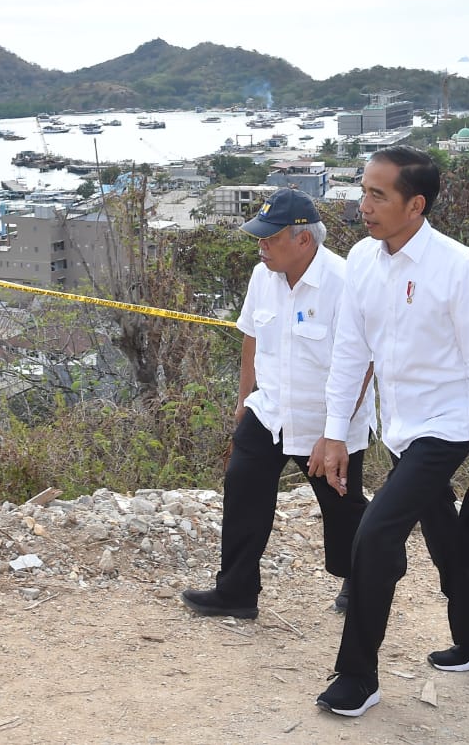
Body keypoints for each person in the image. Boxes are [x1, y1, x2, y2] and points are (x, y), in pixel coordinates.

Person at [310, 145, 469, 718]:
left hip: (446, 426)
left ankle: (357, 676)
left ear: (415, 204)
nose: (363, 205)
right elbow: (350, 355)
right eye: (364, 191)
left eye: (378, 195)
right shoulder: (362, 262)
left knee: (375, 537)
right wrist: (334, 434)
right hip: (397, 426)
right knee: (443, 531)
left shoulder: (457, 266)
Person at [181, 187, 373, 621]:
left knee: (342, 508)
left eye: (270, 238)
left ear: (303, 240)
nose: (261, 246)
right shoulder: (261, 276)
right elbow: (252, 335)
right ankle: (236, 591)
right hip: (268, 412)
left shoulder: (344, 284)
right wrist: (244, 400)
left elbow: (363, 364)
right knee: (243, 493)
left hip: (326, 420)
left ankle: (362, 582)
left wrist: (335, 433)